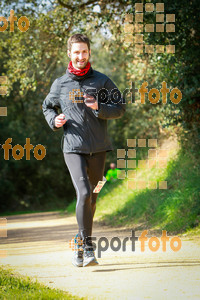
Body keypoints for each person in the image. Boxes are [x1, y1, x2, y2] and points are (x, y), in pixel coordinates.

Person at [42, 33, 125, 267]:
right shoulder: (60, 84)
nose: (80, 56)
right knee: (85, 193)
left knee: (93, 198)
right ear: (69, 53)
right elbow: (47, 106)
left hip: (99, 150)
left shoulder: (101, 81)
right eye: (76, 52)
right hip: (73, 149)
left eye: (84, 52)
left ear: (89, 53)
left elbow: (120, 107)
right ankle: (88, 249)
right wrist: (54, 120)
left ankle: (80, 244)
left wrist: (99, 107)